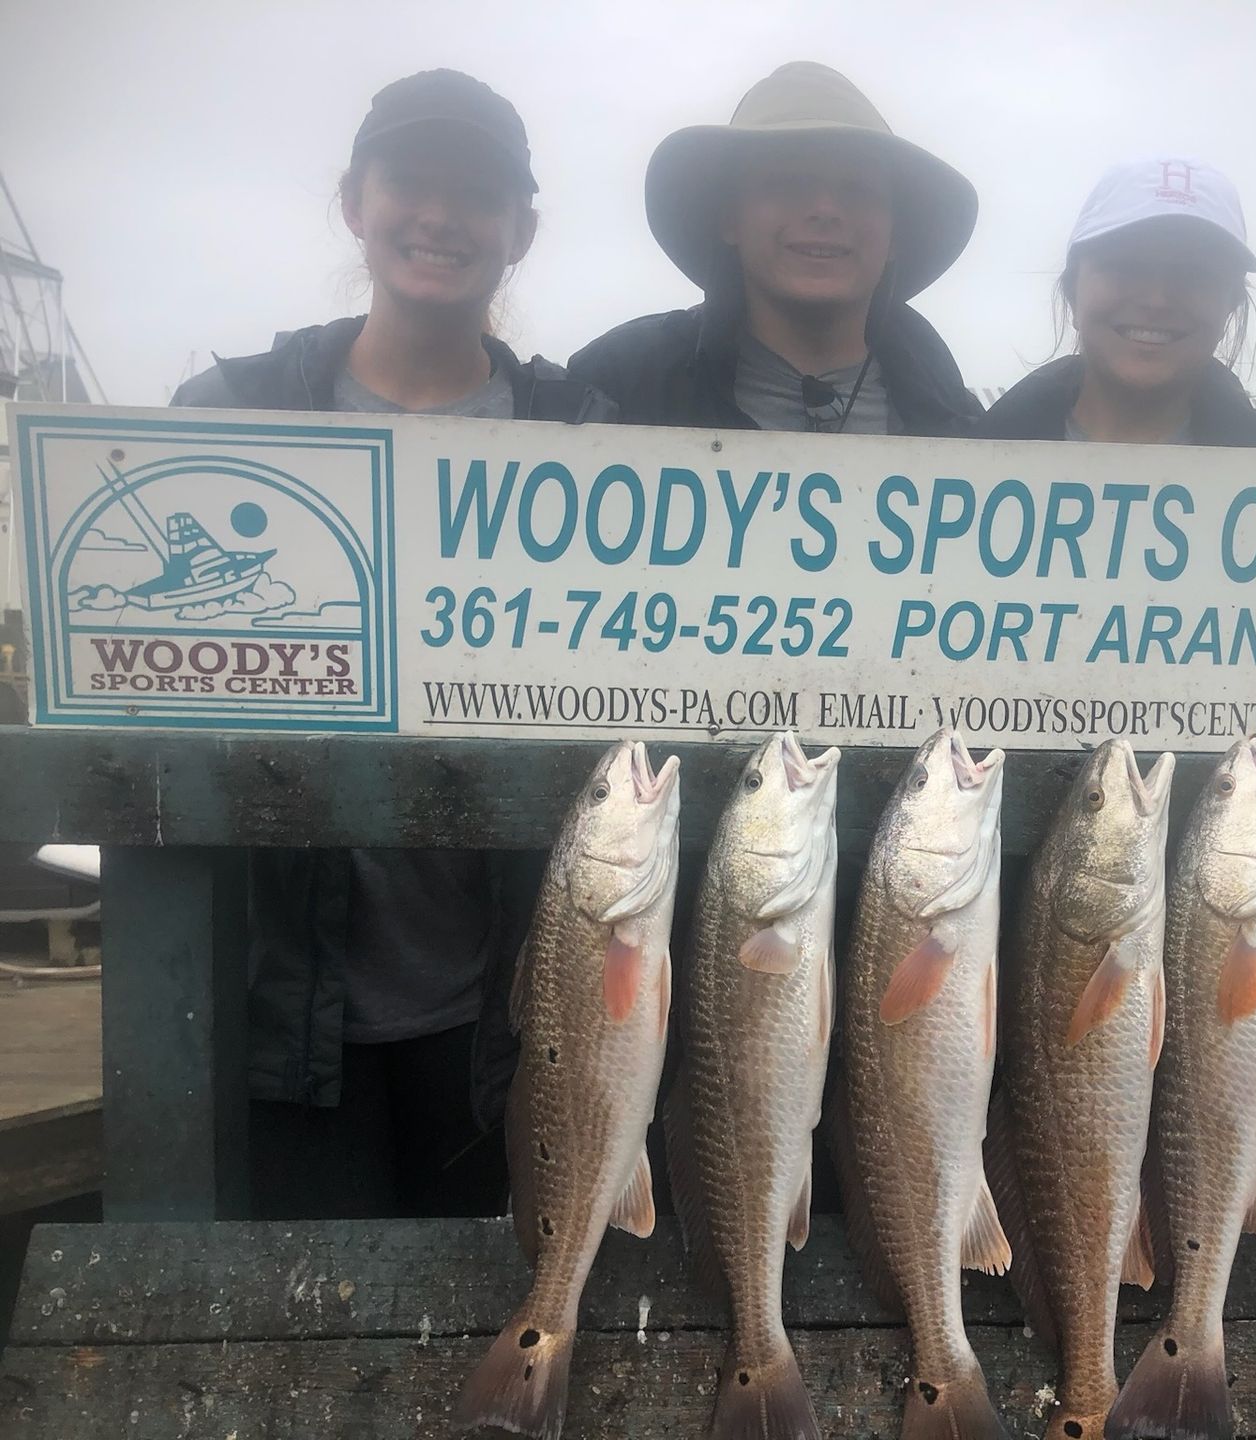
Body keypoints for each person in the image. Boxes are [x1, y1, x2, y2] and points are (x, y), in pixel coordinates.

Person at [173, 69, 613, 1219]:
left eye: (475, 194)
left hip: (508, 1013)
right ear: (353, 202)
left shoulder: (586, 437)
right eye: (410, 181)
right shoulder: (229, 413)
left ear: (520, 231)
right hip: (286, 1010)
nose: (439, 215)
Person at [569, 60, 981, 436]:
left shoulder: (969, 429)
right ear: (730, 219)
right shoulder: (612, 390)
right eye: (788, 183)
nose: (825, 210)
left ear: (896, 237)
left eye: (858, 190)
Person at [979, 156, 1256, 446]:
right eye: (1124, 267)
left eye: (1194, 274)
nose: (1157, 300)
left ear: (1229, 305)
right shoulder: (956, 463)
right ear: (1073, 293)